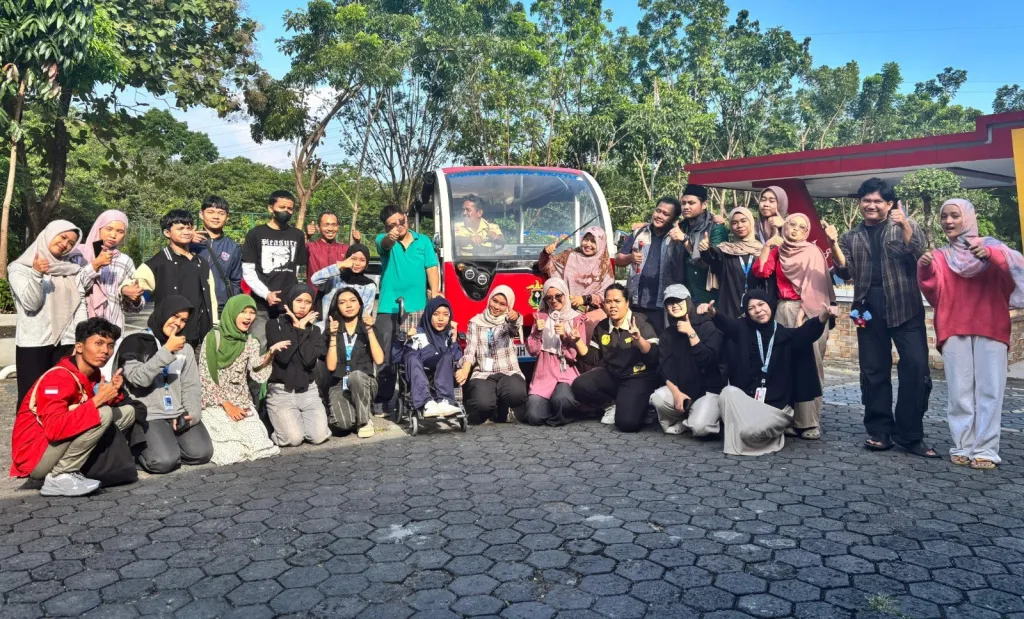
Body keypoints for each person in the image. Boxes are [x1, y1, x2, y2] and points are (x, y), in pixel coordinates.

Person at [825, 177, 937, 458]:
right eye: (866, 200)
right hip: (868, 307)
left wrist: (906, 225)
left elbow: (922, 256)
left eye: (878, 201)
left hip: (905, 305)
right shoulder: (851, 236)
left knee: (916, 367)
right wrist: (833, 243)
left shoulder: (905, 227)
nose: (871, 205)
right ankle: (880, 430)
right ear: (860, 204)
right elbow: (845, 272)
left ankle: (910, 434)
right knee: (873, 370)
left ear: (889, 204)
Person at [918, 198, 1024, 469]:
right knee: (959, 392)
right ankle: (962, 445)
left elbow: (1014, 279)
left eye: (955, 215)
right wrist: (925, 267)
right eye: (944, 216)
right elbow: (933, 292)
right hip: (954, 326)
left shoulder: (994, 248)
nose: (948, 221)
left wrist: (993, 257)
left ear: (967, 218)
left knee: (991, 390)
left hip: (991, 325)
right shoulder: (941, 256)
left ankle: (986, 450)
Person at [698, 290, 834, 456]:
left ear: (769, 305)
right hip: (750, 404)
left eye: (761, 304)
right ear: (747, 313)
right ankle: (747, 434)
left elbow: (805, 333)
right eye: (751, 308)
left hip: (776, 409)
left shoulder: (784, 335)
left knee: (748, 431)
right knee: (728, 392)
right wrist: (713, 313)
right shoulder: (742, 330)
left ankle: (759, 434)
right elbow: (727, 324)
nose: (758, 310)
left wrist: (823, 317)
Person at [10, 318, 135, 496]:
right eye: (98, 343)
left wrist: (114, 392)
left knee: (128, 412)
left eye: (110, 345)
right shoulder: (58, 378)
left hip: (57, 444)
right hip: (35, 458)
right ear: (79, 347)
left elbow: (82, 413)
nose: (105, 351)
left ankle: (85, 464)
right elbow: (54, 429)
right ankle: (61, 475)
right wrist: (98, 400)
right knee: (102, 414)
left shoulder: (92, 374)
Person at [752, 213, 834, 440]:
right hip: (782, 309)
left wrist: (803, 313)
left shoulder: (812, 252)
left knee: (810, 364)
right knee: (784, 363)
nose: (795, 229)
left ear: (807, 232)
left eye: (801, 227)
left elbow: (817, 287)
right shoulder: (779, 251)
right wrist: (768, 245)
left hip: (811, 312)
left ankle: (809, 421)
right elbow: (761, 272)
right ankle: (787, 418)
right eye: (791, 225)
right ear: (784, 226)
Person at [116, 296, 214, 474]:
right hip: (148, 414)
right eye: (175, 316)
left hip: (176, 413)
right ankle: (142, 450)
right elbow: (139, 379)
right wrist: (167, 350)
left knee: (202, 453)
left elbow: (191, 385)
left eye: (183, 320)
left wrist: (191, 414)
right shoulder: (135, 341)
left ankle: (165, 444)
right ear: (163, 313)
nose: (178, 323)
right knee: (163, 462)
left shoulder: (185, 348)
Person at [197, 295, 286, 465]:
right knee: (231, 453)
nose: (248, 317)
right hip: (215, 402)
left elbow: (256, 371)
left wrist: (270, 354)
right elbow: (205, 377)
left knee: (261, 446)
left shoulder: (250, 342)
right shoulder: (213, 337)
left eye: (252, 312)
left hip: (241, 402)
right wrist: (227, 405)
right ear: (232, 312)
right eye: (243, 312)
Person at [9, 221, 89, 404]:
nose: (65, 244)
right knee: (32, 397)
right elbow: (31, 304)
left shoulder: (72, 271)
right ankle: (31, 425)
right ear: (49, 234)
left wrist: (82, 338)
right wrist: (37, 274)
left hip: (67, 342)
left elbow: (80, 304)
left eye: (71, 243)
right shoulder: (19, 268)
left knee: (61, 395)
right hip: (34, 343)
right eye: (63, 237)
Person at [572, 283, 660, 432]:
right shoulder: (602, 326)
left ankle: (645, 407)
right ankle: (611, 405)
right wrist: (577, 341)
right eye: (608, 301)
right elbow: (593, 359)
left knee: (627, 423)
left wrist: (639, 339)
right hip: (613, 375)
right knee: (580, 385)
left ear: (627, 303)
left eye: (617, 301)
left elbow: (654, 355)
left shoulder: (641, 322)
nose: (612, 306)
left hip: (637, 376)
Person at [376, 204, 440, 399]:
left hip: (418, 308)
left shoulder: (424, 241)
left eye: (401, 221)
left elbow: (431, 267)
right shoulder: (383, 239)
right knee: (386, 355)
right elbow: (385, 244)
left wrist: (434, 294)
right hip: (389, 307)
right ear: (386, 228)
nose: (398, 226)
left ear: (406, 217)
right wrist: (390, 237)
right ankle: (383, 400)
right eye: (392, 225)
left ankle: (415, 397)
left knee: (417, 352)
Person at [649, 285, 725, 436]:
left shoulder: (706, 325)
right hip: (682, 391)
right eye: (670, 302)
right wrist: (676, 393)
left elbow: (708, 361)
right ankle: (682, 417)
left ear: (688, 301)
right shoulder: (667, 334)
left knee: (700, 427)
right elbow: (664, 368)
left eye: (679, 300)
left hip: (707, 391)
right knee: (658, 398)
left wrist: (691, 333)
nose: (674, 305)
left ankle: (692, 419)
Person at [135, 209, 216, 351]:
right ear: (167, 233)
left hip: (201, 338)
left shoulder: (202, 263)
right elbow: (137, 288)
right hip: (170, 339)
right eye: (180, 228)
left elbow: (212, 298)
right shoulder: (157, 263)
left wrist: (214, 326)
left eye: (189, 228)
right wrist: (130, 293)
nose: (186, 232)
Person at [264, 284, 331, 448]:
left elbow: (308, 361)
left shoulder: (314, 330)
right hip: (282, 391)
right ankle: (272, 420)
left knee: (318, 437)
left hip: (308, 391)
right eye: (299, 301)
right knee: (293, 439)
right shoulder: (274, 324)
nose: (303, 306)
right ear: (290, 301)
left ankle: (296, 420)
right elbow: (284, 357)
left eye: (308, 302)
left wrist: (302, 329)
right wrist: (298, 329)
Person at [241, 190, 309, 345]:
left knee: (287, 348)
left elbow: (299, 270)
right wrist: (266, 294)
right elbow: (248, 271)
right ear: (270, 208)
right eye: (282, 207)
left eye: (290, 209)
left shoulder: (297, 235)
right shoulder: (255, 234)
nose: (286, 212)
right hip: (261, 307)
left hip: (288, 307)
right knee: (259, 347)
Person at [458, 286, 528, 424]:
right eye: (494, 301)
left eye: (502, 304)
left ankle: (504, 407)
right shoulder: (475, 322)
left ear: (508, 306)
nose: (496, 307)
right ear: (489, 299)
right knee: (482, 404)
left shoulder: (507, 321)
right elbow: (470, 350)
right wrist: (465, 369)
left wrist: (515, 318)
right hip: (483, 373)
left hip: (508, 371)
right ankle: (491, 410)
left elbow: (514, 328)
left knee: (516, 394)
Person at [69, 209, 146, 334]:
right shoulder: (78, 255)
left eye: (120, 231)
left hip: (112, 331)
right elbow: (72, 289)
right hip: (80, 328)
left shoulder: (124, 261)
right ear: (99, 228)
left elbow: (134, 308)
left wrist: (133, 298)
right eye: (109, 229)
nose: (113, 235)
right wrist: (95, 265)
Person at [523, 278, 587, 426]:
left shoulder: (577, 318)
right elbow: (532, 351)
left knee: (563, 401)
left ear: (565, 294)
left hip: (566, 371)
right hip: (544, 371)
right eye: (549, 297)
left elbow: (573, 355)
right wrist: (537, 333)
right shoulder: (541, 317)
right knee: (534, 416)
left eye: (558, 296)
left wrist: (564, 337)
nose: (554, 300)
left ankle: (558, 408)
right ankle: (550, 408)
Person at [614, 197, 681, 333]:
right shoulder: (639, 232)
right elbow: (618, 259)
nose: (659, 216)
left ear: (674, 219)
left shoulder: (676, 237)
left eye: (666, 214)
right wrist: (630, 257)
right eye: (658, 211)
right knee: (631, 340)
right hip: (635, 302)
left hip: (662, 305)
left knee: (657, 341)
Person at [325, 287, 384, 438]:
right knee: (343, 424)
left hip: (365, 382)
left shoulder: (370, 328)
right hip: (340, 383)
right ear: (337, 307)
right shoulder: (332, 330)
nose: (348, 305)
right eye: (342, 302)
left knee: (356, 376)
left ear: (359, 304)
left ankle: (364, 421)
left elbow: (379, 359)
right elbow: (331, 366)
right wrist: (333, 336)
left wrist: (369, 329)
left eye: (352, 301)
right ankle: (356, 411)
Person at [539, 226, 615, 339]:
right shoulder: (569, 256)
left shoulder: (604, 264)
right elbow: (546, 266)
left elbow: (608, 294)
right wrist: (545, 253)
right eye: (586, 239)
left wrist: (585, 299)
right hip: (565, 311)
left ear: (601, 243)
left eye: (593, 241)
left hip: (591, 313)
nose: (588, 244)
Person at [394, 297, 462, 417]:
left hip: (440, 373)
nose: (441, 319)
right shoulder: (417, 332)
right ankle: (426, 402)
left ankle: (444, 401)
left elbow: (457, 358)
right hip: (418, 371)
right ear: (429, 315)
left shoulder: (448, 335)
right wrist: (406, 339)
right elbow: (396, 357)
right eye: (436, 314)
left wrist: (454, 340)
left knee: (447, 356)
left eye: (445, 315)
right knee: (411, 355)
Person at [670, 184, 729, 307]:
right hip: (683, 296)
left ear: (704, 205)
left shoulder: (716, 228)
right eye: (683, 203)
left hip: (708, 297)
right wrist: (645, 225)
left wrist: (684, 239)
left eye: (691, 203)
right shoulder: (680, 227)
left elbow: (714, 262)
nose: (686, 207)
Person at [703, 207, 764, 319]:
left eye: (743, 221)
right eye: (734, 223)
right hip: (729, 306)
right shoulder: (725, 250)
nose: (739, 226)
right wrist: (705, 250)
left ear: (751, 222)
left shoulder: (762, 250)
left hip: (757, 309)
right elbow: (712, 258)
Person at [193, 195, 243, 313]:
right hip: (191, 305)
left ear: (227, 217)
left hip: (220, 308)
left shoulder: (233, 247)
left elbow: (236, 281)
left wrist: (232, 306)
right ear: (201, 214)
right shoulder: (188, 242)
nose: (216, 217)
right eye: (210, 212)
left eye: (221, 213)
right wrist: (185, 242)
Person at [310, 243, 377, 328]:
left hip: (350, 331)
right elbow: (314, 279)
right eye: (353, 259)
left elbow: (365, 314)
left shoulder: (369, 286)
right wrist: (340, 265)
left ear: (366, 263)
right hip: (325, 327)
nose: (357, 263)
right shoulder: (334, 278)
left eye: (362, 260)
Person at [306, 212, 361, 303]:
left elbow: (358, 263)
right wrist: (306, 236)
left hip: (338, 302)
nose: (330, 229)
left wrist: (358, 243)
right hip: (314, 300)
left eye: (334, 225)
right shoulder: (310, 247)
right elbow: (297, 252)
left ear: (338, 227)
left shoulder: (345, 249)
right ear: (318, 227)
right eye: (326, 225)